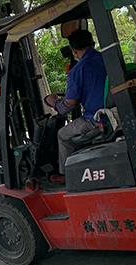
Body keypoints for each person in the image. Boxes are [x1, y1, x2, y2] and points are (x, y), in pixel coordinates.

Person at [44, 28, 108, 179]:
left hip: (96, 119)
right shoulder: (107, 59)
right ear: (93, 44)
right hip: (114, 110)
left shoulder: (78, 70)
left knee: (63, 134)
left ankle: (67, 176)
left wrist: (53, 101)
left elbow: (67, 107)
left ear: (73, 50)